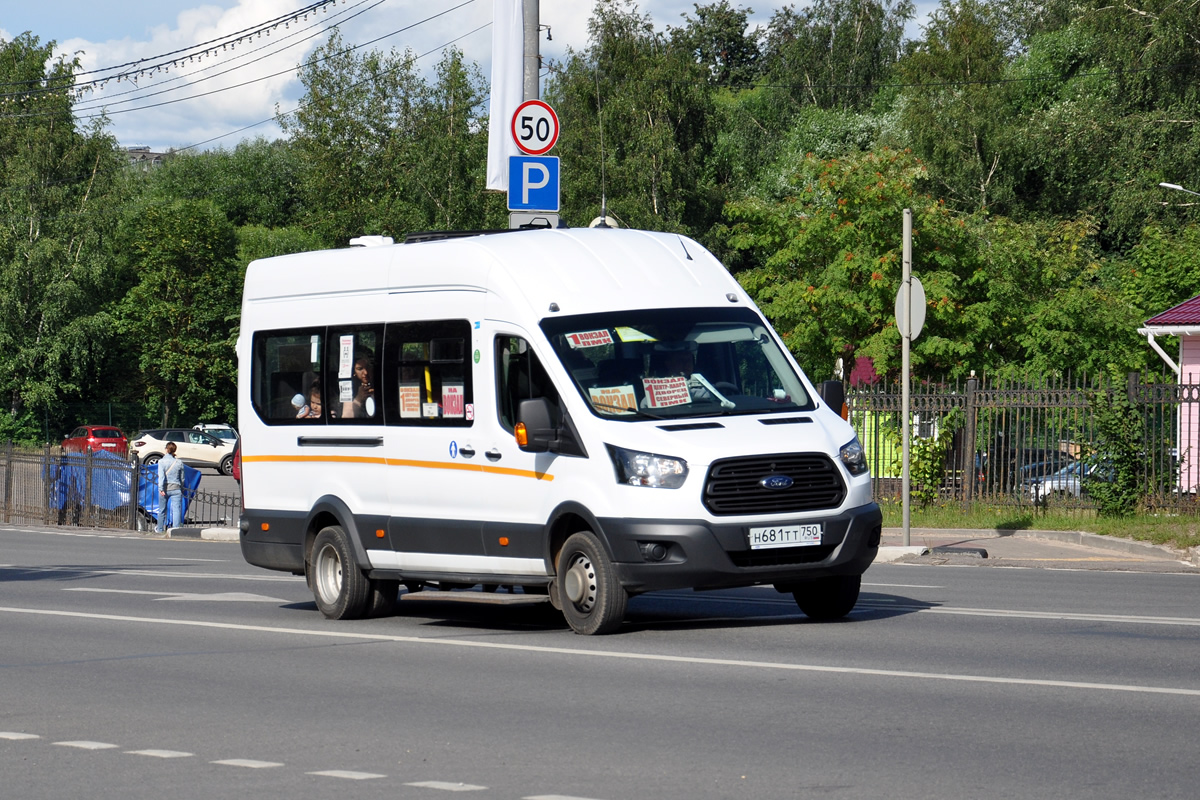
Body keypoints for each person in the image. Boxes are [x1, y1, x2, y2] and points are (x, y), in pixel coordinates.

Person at [155, 442, 185, 533]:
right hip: (176, 488)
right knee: (176, 510)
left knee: (162, 510)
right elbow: (182, 478)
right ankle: (175, 530)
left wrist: (160, 488)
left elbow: (161, 476)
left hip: (165, 488)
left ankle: (160, 529)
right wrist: (181, 488)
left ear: (166, 449)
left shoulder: (161, 462)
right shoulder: (179, 462)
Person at [341, 351, 376, 419]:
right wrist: (359, 398)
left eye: (368, 367)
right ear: (353, 372)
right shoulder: (349, 389)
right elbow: (346, 417)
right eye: (360, 369)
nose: (365, 372)